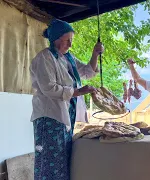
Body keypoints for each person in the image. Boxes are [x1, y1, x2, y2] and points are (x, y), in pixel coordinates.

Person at [29, 19, 104, 180]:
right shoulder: (45, 58)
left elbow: (86, 72)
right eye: (67, 40)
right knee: (49, 162)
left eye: (71, 40)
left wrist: (95, 54)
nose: (70, 44)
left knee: (62, 160)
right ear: (56, 38)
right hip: (49, 117)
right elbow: (49, 88)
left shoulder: (67, 58)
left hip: (64, 116)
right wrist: (78, 91)